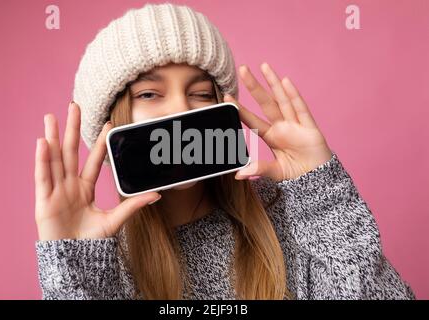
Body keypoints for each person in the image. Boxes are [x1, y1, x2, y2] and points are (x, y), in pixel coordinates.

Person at [34, 3, 414, 300]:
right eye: (149, 94)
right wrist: (74, 270)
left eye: (201, 94)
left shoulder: (289, 218)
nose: (182, 111)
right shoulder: (102, 262)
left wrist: (324, 198)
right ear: (111, 125)